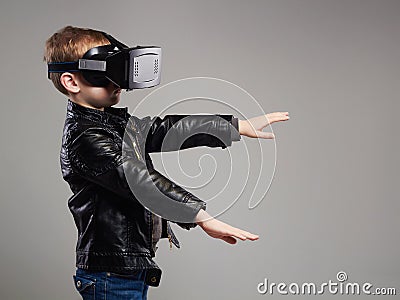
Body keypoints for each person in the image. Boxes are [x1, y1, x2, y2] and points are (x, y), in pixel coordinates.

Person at [43, 25, 290, 300]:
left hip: (125, 269)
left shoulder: (110, 122)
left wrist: (234, 126)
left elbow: (165, 130)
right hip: (111, 275)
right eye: (105, 74)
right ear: (72, 82)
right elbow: (140, 180)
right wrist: (202, 217)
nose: (118, 83)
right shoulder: (85, 137)